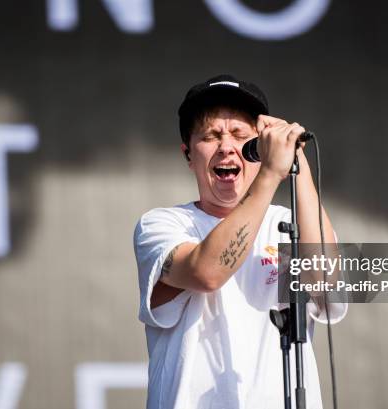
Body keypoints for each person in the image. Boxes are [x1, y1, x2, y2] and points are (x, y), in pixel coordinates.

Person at [133, 74, 347, 409]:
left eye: (240, 136)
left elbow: (327, 284)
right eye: (211, 136)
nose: (227, 147)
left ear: (257, 150)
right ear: (188, 155)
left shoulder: (285, 221)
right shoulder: (163, 225)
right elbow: (207, 273)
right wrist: (269, 174)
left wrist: (296, 158)